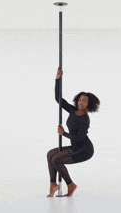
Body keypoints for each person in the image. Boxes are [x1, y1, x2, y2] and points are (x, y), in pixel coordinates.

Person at [47, 66, 100, 197]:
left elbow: (80, 138)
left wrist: (63, 133)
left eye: (85, 101)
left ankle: (70, 185)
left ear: (89, 104)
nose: (81, 102)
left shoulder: (85, 119)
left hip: (84, 149)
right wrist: (57, 79)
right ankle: (53, 184)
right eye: (80, 100)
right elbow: (58, 99)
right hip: (76, 146)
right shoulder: (72, 110)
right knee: (50, 155)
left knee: (56, 159)